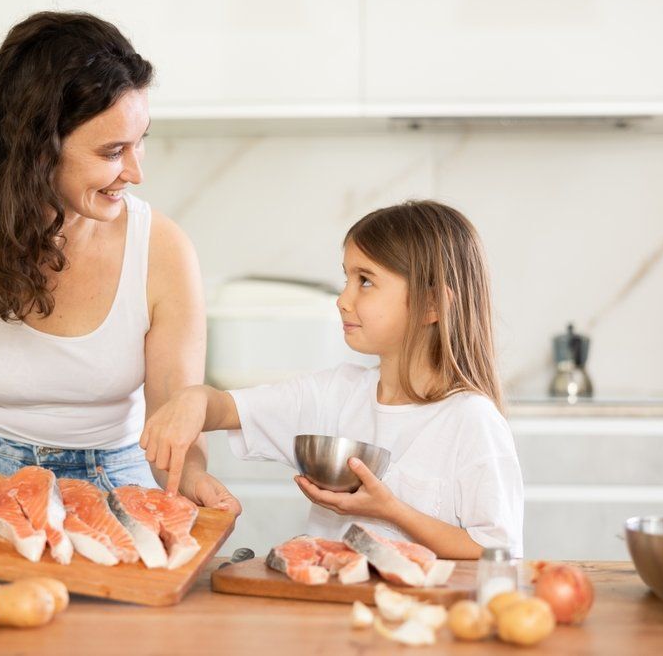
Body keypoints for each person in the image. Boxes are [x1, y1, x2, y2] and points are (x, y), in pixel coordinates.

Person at [0, 11, 240, 515]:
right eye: (113, 151)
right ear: (38, 149)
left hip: (112, 477)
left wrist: (192, 477)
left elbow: (173, 411)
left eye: (140, 141)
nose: (136, 172)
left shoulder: (162, 250)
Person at [140, 200, 523, 557]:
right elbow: (224, 408)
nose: (343, 299)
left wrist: (392, 511)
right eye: (347, 279)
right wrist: (196, 399)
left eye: (365, 281)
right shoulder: (334, 394)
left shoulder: (471, 420)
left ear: (433, 305)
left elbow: (496, 552)